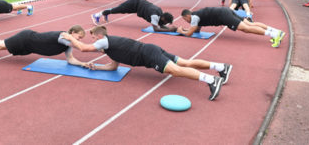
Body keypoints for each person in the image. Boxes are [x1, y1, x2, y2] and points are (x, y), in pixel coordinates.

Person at [62, 26, 233, 101]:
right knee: (185, 62)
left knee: (176, 70)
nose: (93, 42)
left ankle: (212, 80)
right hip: (151, 49)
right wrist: (96, 66)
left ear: (99, 37)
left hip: (148, 54)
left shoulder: (104, 41)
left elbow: (83, 49)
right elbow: (113, 66)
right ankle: (220, 67)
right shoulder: (111, 47)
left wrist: (69, 37)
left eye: (93, 38)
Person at [0, 25, 90, 67]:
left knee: (2, 44)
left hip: (29, 44)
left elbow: (70, 59)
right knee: (0, 46)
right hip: (26, 39)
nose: (79, 40)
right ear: (72, 33)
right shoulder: (64, 38)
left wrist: (83, 64)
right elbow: (81, 47)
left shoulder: (68, 44)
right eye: (79, 37)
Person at [178, 7, 286, 48]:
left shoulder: (194, 17)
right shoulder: (197, 15)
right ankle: (276, 31)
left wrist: (181, 31)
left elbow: (190, 33)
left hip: (223, 16)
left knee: (246, 29)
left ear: (187, 16)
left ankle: (275, 35)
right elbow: (196, 29)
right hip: (226, 11)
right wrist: (187, 29)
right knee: (250, 24)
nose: (186, 22)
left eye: (184, 19)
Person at [91, 0, 176, 32]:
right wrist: (169, 30)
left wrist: (170, 28)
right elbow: (156, 29)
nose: (165, 24)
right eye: (166, 23)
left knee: (119, 10)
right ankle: (97, 14)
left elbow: (160, 25)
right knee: (118, 9)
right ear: (163, 19)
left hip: (137, 6)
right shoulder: (155, 15)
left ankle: (107, 13)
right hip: (134, 3)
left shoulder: (160, 13)